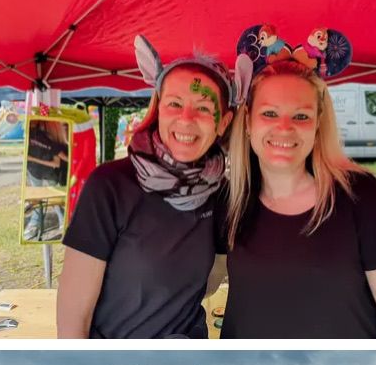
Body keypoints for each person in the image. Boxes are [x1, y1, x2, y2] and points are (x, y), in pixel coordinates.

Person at [58, 36, 243, 338]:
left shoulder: (222, 195)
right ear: (158, 111)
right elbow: (73, 311)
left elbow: (208, 283)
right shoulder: (110, 186)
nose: (186, 119)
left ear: (223, 123)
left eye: (204, 108)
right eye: (174, 104)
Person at [221, 57, 376, 338]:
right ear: (249, 121)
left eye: (301, 116)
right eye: (270, 113)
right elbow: (197, 283)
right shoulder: (231, 201)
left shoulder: (360, 196)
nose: (285, 127)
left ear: (317, 124)